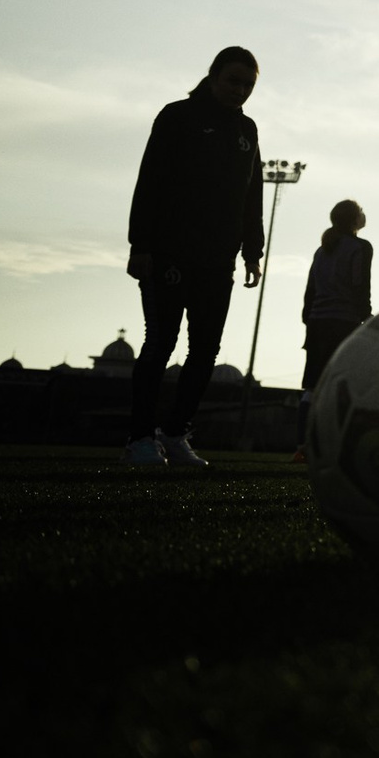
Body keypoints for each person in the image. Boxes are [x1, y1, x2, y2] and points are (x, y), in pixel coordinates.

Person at [123, 46, 265, 468]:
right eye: (233, 81)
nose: (240, 91)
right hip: (169, 252)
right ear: (213, 76)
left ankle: (175, 432)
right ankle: (139, 439)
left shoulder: (248, 130)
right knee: (160, 343)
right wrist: (140, 244)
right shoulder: (177, 116)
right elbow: (149, 180)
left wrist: (252, 252)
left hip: (218, 260)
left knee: (205, 350)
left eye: (248, 85)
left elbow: (251, 196)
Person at [297, 200, 373, 456]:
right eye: (361, 213)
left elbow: (311, 287)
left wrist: (308, 317)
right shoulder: (360, 247)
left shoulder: (322, 250)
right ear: (354, 220)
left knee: (313, 383)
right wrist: (366, 315)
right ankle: (334, 443)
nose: (364, 216)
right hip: (344, 321)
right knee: (342, 381)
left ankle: (304, 444)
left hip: (318, 321)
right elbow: (359, 284)